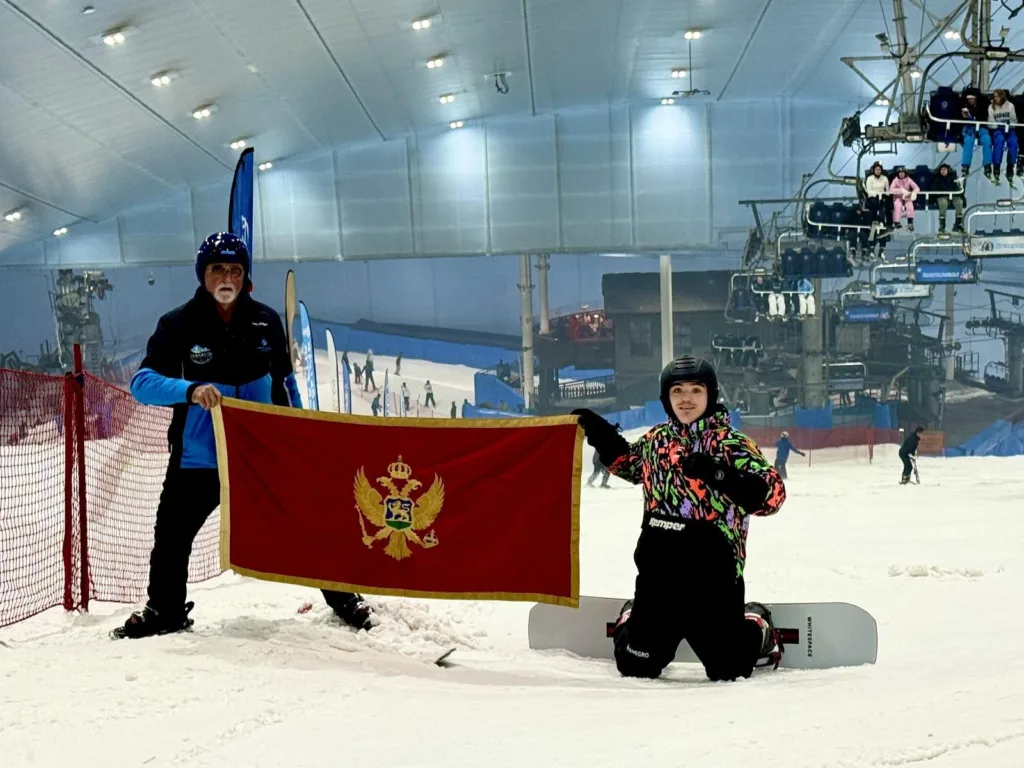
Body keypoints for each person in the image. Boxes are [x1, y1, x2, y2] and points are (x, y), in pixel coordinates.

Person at [112, 233, 376, 639]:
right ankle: (165, 611)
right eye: (218, 268)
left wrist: (300, 432)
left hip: (262, 455)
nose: (227, 276)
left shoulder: (266, 320)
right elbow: (142, 384)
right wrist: (190, 390)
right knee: (171, 535)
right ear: (203, 274)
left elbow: (285, 384)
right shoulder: (177, 324)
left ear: (245, 275)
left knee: (309, 523)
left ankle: (345, 599)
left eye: (235, 269)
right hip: (199, 458)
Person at [572, 356, 786, 681]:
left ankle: (757, 622)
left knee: (730, 670)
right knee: (635, 665)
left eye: (696, 390)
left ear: (710, 395)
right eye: (678, 391)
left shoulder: (733, 445)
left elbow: (772, 497)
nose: (686, 398)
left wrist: (718, 473)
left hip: (714, 577)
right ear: (666, 398)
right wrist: (602, 435)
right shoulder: (656, 440)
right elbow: (630, 467)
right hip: (659, 575)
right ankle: (633, 616)